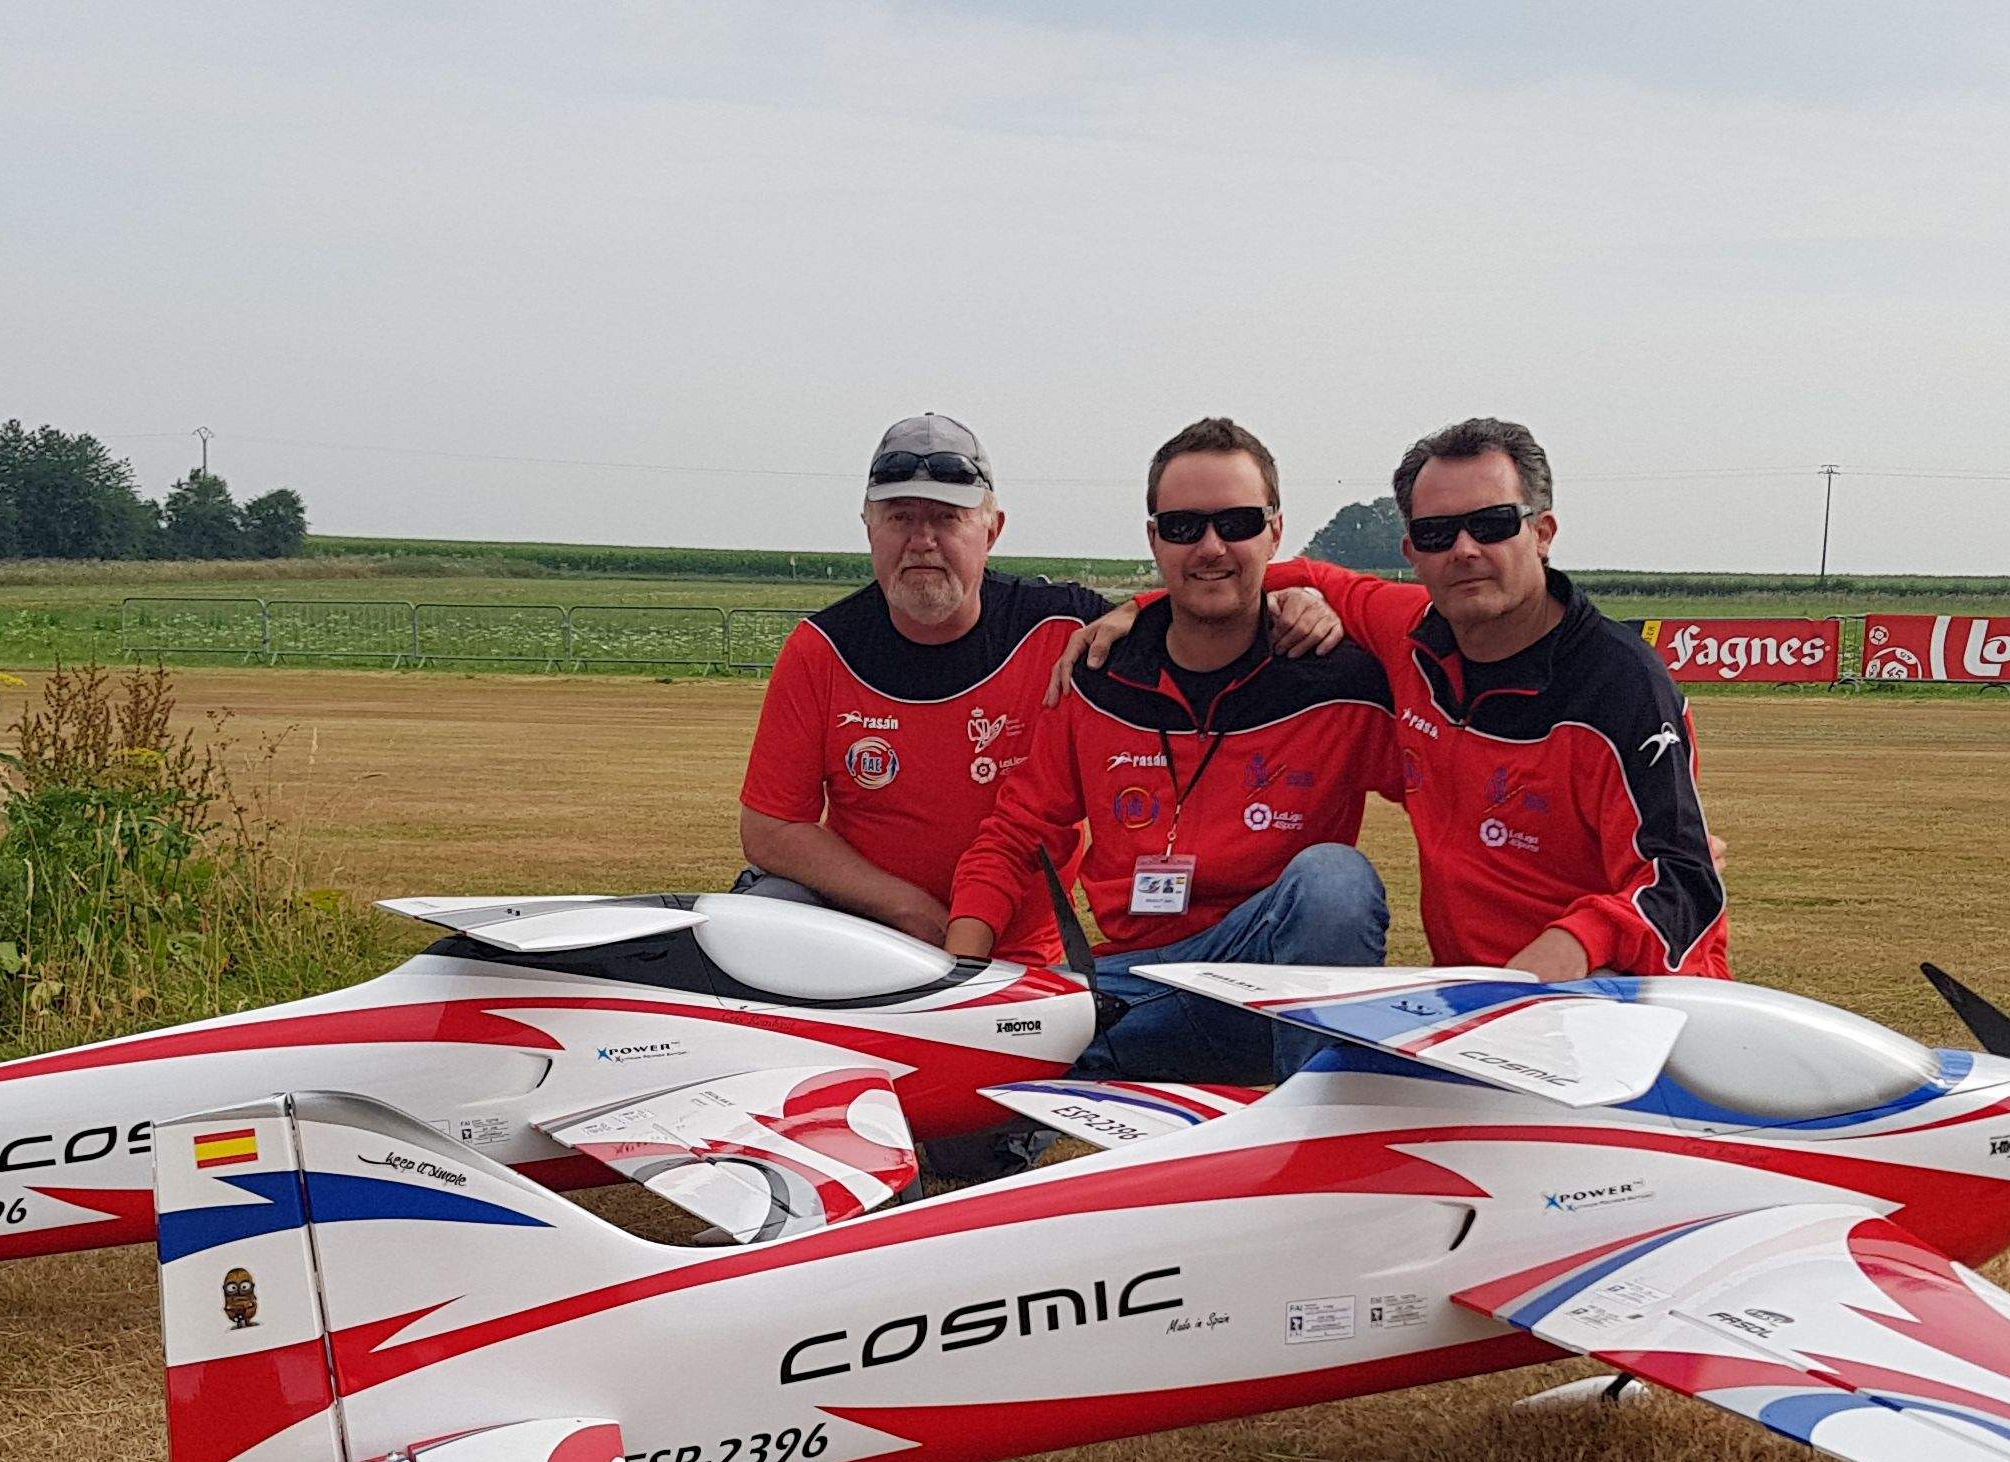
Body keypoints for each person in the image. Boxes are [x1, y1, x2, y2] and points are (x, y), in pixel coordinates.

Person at [1065, 417, 1727, 980]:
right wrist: (1141, 609)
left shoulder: (1620, 684)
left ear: (1543, 532)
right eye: (1438, 534)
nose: (1464, 550)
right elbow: (1280, 571)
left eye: (1491, 524)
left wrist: (1558, 956)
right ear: (1412, 550)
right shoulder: (1407, 631)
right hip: (1477, 1009)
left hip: (1627, 1001)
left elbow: (1681, 883)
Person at [734, 413, 1341, 967]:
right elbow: (771, 827)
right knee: (765, 907)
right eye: (900, 517)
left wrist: (1292, 594)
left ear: (992, 530)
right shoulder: (822, 648)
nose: (922, 540)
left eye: (947, 518)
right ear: (868, 528)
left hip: (1022, 956)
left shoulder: (1067, 630)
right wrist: (905, 908)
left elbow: (1203, 598)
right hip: (866, 937)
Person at [945, 418, 1401, 1084]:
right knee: (975, 1096)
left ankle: (1317, 1124)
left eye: (1237, 523)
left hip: (1271, 990)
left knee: (1334, 881)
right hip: (1135, 990)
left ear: (1275, 531)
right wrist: (960, 988)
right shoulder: (1096, 675)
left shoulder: (1343, 681)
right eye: (1185, 527)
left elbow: (1453, 804)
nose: (1211, 547)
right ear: (1154, 537)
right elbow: (1015, 836)